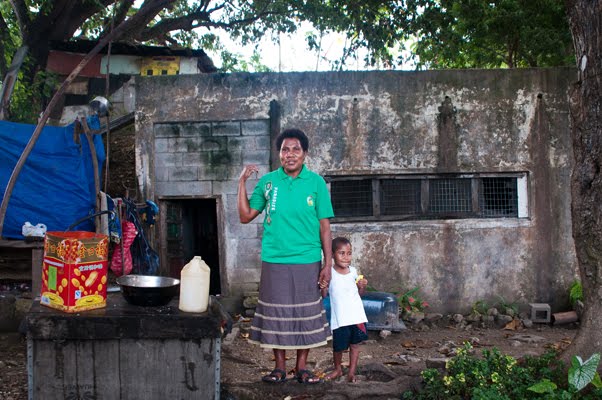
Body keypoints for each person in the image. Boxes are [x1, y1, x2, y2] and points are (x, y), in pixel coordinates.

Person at [238, 128, 334, 384]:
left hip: (307, 258)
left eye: (295, 149)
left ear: (304, 154)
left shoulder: (316, 183)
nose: (290, 154)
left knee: (306, 314)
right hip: (275, 259)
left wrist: (328, 264)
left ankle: (302, 367)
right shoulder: (268, 182)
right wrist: (241, 184)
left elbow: (325, 226)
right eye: (285, 150)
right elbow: (245, 216)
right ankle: (279, 367)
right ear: (279, 153)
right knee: (276, 314)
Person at [320, 237, 368, 383]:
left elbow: (359, 295)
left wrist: (361, 287)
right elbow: (324, 295)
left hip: (357, 316)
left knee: (355, 345)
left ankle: (351, 372)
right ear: (332, 255)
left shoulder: (353, 271)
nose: (346, 257)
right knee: (338, 347)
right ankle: (337, 369)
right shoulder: (330, 273)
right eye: (341, 253)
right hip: (340, 318)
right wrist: (323, 286)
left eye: (349, 253)